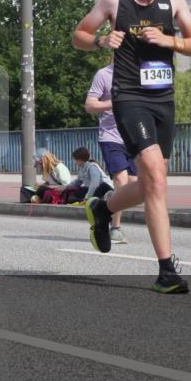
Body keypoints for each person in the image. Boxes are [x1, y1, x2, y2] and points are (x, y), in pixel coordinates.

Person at [72, 0, 191, 294]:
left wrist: (170, 40)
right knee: (156, 177)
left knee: (150, 184)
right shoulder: (114, 0)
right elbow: (79, 35)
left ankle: (103, 208)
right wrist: (100, 41)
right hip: (129, 97)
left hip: (164, 100)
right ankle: (166, 271)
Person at [85, 59, 134, 243]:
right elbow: (90, 105)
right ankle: (115, 228)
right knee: (121, 181)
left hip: (135, 137)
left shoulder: (139, 73)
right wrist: (115, 103)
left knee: (136, 186)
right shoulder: (104, 74)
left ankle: (105, 204)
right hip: (111, 137)